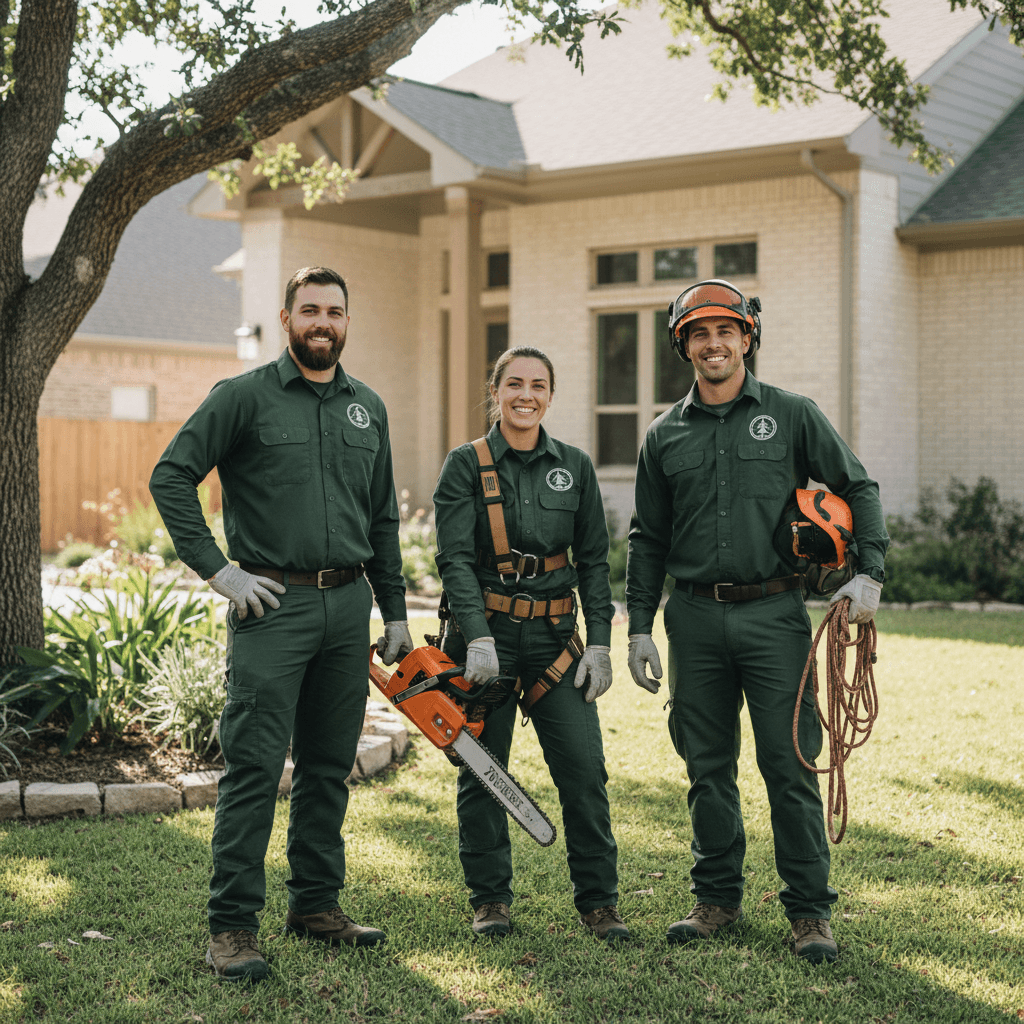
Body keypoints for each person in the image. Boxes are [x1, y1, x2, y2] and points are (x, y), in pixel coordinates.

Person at [150, 266, 413, 982]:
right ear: (286, 317)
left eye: (334, 310)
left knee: (330, 767)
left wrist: (394, 610)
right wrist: (220, 571)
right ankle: (232, 927)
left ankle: (316, 906)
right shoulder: (243, 397)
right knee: (255, 768)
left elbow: (383, 520)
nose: (322, 321)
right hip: (272, 608)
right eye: (309, 310)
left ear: (348, 321)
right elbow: (171, 475)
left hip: (347, 604)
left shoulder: (368, 409)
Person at [625, 280, 888, 963]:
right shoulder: (663, 434)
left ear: (747, 338)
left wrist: (869, 570)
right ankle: (715, 899)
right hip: (692, 620)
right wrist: (637, 627)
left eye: (727, 331)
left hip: (775, 615)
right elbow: (646, 537)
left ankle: (809, 913)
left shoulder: (793, 415)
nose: (715, 344)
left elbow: (857, 485)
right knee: (707, 767)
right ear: (683, 344)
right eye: (700, 334)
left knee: (790, 765)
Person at [432, 346, 627, 942]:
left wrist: (599, 644)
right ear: (495, 392)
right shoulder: (465, 465)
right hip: (484, 642)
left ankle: (599, 904)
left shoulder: (574, 465)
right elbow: (455, 559)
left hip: (554, 646)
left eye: (538, 385)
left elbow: (595, 561)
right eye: (514, 383)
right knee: (483, 771)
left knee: (585, 772)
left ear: (550, 395)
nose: (526, 395)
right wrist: (479, 637)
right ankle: (490, 901)